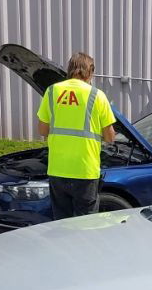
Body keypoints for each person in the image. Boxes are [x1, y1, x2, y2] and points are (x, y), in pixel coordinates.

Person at [36, 51, 116, 217]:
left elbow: (43, 130)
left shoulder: (52, 92)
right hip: (85, 170)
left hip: (58, 169)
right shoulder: (97, 96)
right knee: (85, 226)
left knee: (61, 223)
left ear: (70, 69)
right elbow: (110, 137)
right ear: (90, 71)